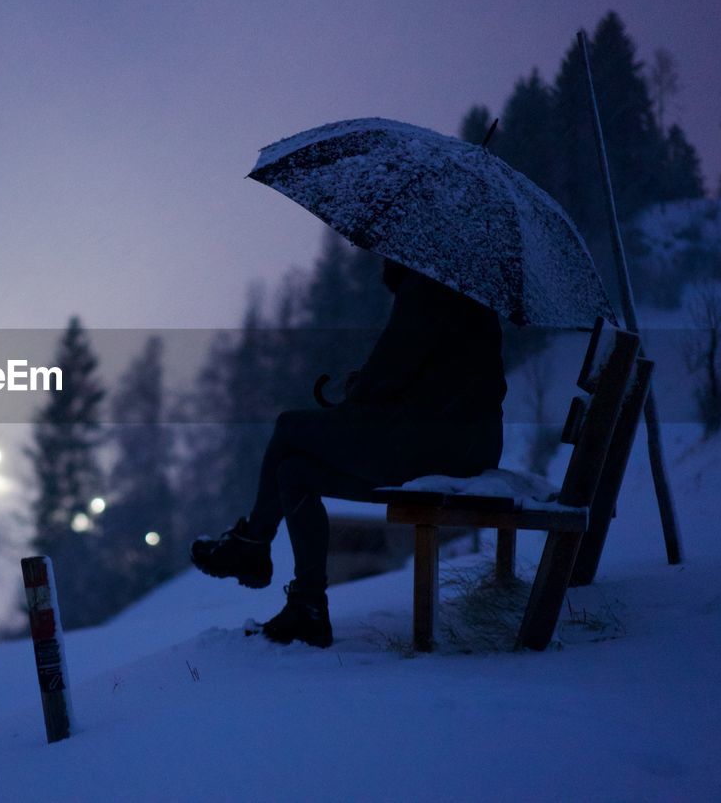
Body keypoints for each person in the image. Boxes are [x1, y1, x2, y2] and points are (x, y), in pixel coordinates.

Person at [190, 260, 507, 647]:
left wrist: (360, 388)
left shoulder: (430, 280)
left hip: (434, 446)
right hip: (463, 445)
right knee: (294, 471)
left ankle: (253, 544)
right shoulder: (465, 282)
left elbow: (392, 368)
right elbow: (426, 373)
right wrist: (371, 387)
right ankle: (307, 606)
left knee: (289, 427)